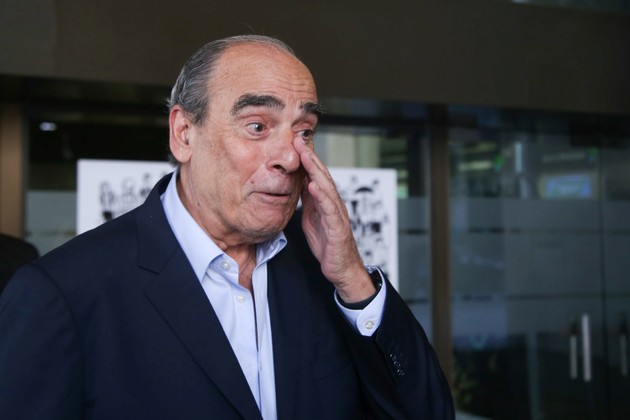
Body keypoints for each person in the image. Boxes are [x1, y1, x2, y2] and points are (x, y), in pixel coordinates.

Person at [0, 35, 454, 419]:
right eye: (257, 126)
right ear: (184, 133)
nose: (291, 157)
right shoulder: (62, 294)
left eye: (305, 131)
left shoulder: (326, 273)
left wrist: (353, 278)